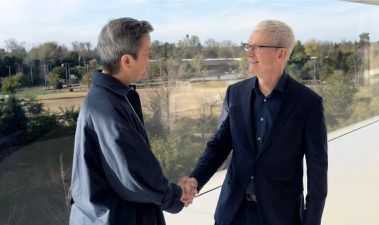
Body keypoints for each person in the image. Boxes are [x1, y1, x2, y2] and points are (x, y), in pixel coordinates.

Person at [186, 19, 328, 225]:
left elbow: (318, 175)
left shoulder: (309, 103)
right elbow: (218, 146)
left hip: (280, 216)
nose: (248, 53)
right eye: (248, 46)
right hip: (232, 212)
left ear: (281, 53)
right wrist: (195, 181)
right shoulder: (235, 93)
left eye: (257, 47)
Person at [69, 17, 196, 225]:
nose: (150, 58)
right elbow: (134, 176)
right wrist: (176, 194)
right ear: (127, 61)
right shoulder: (107, 107)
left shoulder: (113, 98)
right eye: (147, 53)